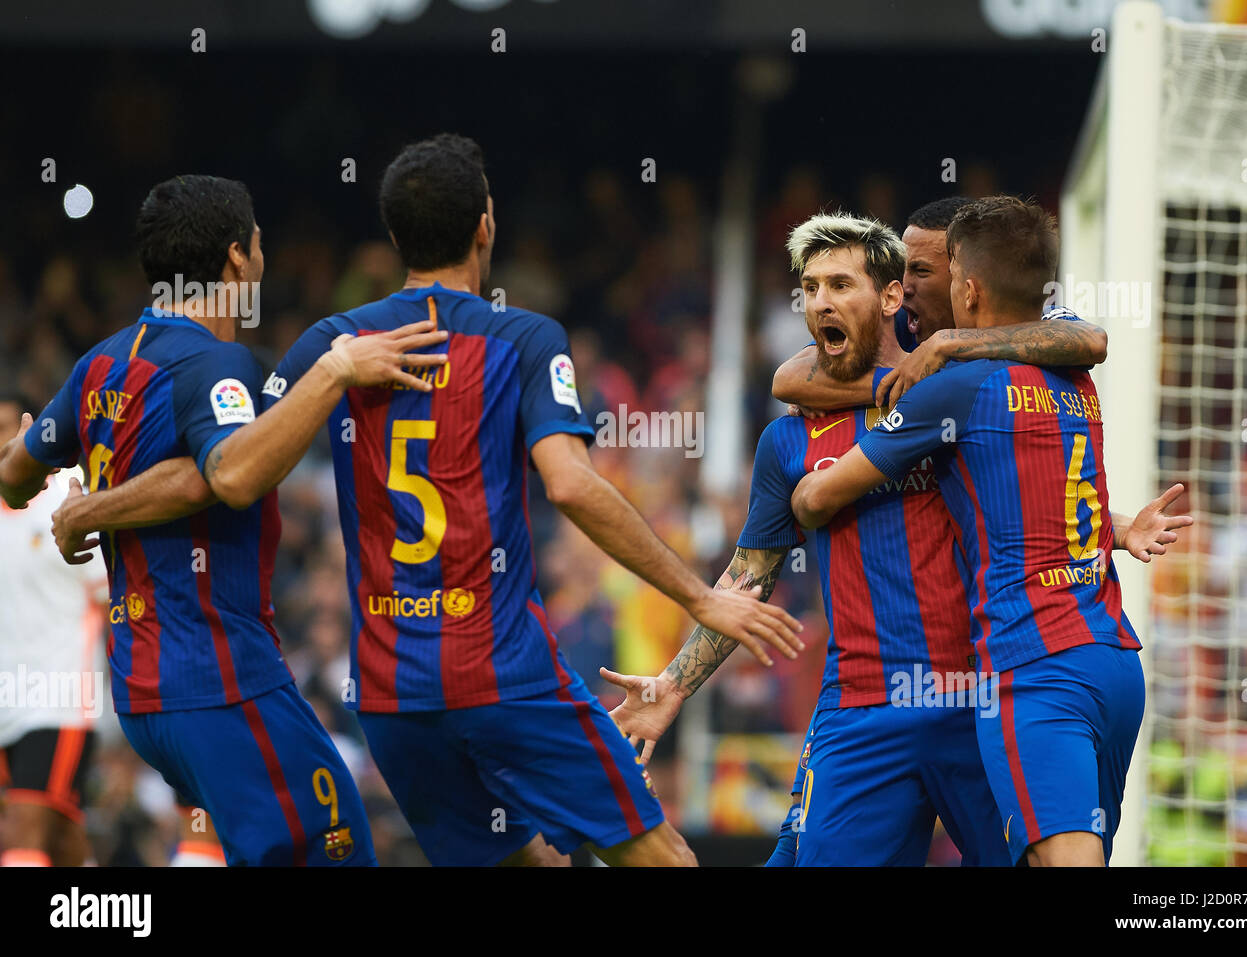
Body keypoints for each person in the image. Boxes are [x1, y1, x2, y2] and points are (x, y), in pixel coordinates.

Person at [51, 137, 804, 866]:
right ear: (486, 224)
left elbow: (228, 470)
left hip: (389, 697)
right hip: (506, 676)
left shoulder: (329, 343)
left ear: (392, 235)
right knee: (661, 854)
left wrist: (94, 505)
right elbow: (570, 482)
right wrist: (700, 598)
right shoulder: (525, 339)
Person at [0, 174, 441, 865]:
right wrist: (335, 372)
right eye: (260, 241)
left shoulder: (98, 362)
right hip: (220, 676)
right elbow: (232, 472)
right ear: (238, 259)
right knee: (340, 845)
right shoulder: (217, 364)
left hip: (143, 693)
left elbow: (13, 474)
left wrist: (69, 486)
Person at [790, 196, 1192, 866]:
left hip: (1033, 665)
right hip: (1114, 660)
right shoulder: (1070, 372)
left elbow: (818, 498)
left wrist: (802, 488)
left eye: (933, 270)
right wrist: (1114, 528)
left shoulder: (956, 385)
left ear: (967, 285)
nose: (918, 285)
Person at [0, 392, 107, 866]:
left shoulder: (70, 492)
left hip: (59, 694)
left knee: (21, 827)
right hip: (5, 696)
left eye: (8, 427)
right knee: (59, 836)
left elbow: (111, 591)